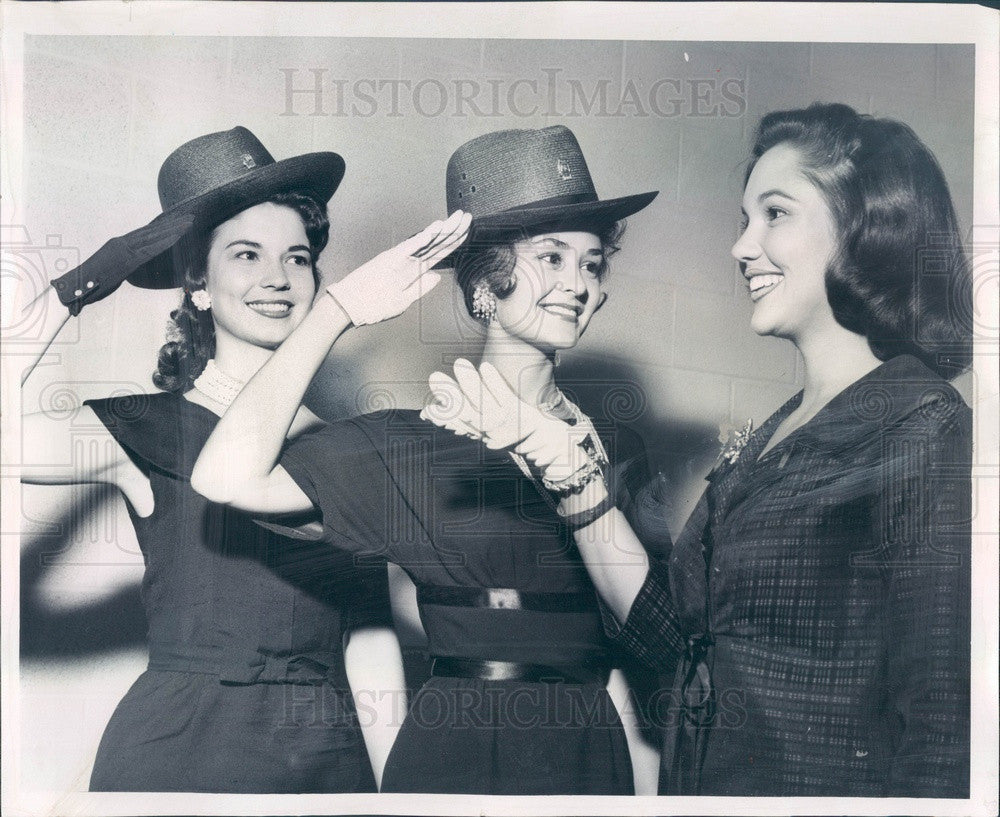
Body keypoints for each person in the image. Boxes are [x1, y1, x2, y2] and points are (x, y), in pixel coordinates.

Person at [425, 103, 973, 797]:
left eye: (774, 214)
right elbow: (672, 647)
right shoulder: (770, 440)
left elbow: (942, 726)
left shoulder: (923, 426)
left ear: (868, 228)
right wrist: (570, 474)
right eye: (743, 222)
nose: (742, 248)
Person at [191, 125, 667, 794]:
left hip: (589, 752)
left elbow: (649, 643)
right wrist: (335, 311)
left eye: (592, 263)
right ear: (483, 285)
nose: (579, 284)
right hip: (456, 752)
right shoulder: (406, 445)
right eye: (551, 258)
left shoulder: (617, 451)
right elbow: (224, 476)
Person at [19, 126, 460, 792]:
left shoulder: (354, 447)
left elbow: (369, 640)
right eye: (246, 255)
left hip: (321, 758)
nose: (277, 279)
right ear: (197, 279)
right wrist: (80, 284)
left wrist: (392, 795)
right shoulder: (145, 427)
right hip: (177, 750)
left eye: (298, 257)